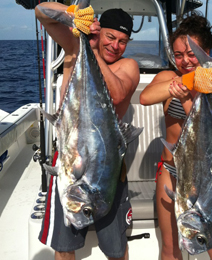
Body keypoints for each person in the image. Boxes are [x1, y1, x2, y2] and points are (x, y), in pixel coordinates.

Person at [35, 2, 139, 260]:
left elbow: (116, 94)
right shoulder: (73, 48)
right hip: (73, 162)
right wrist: (73, 15)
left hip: (108, 171)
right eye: (111, 37)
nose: (116, 46)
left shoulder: (129, 67)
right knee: (63, 246)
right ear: (99, 30)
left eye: (123, 41)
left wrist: (90, 48)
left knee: (116, 248)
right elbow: (41, 13)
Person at [140, 13, 212, 260]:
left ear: (207, 52)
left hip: (209, 178)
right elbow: (145, 98)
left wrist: (190, 96)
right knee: (170, 248)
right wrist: (188, 80)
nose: (185, 60)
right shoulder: (168, 78)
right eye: (178, 55)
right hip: (170, 171)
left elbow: (207, 134)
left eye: (192, 54)